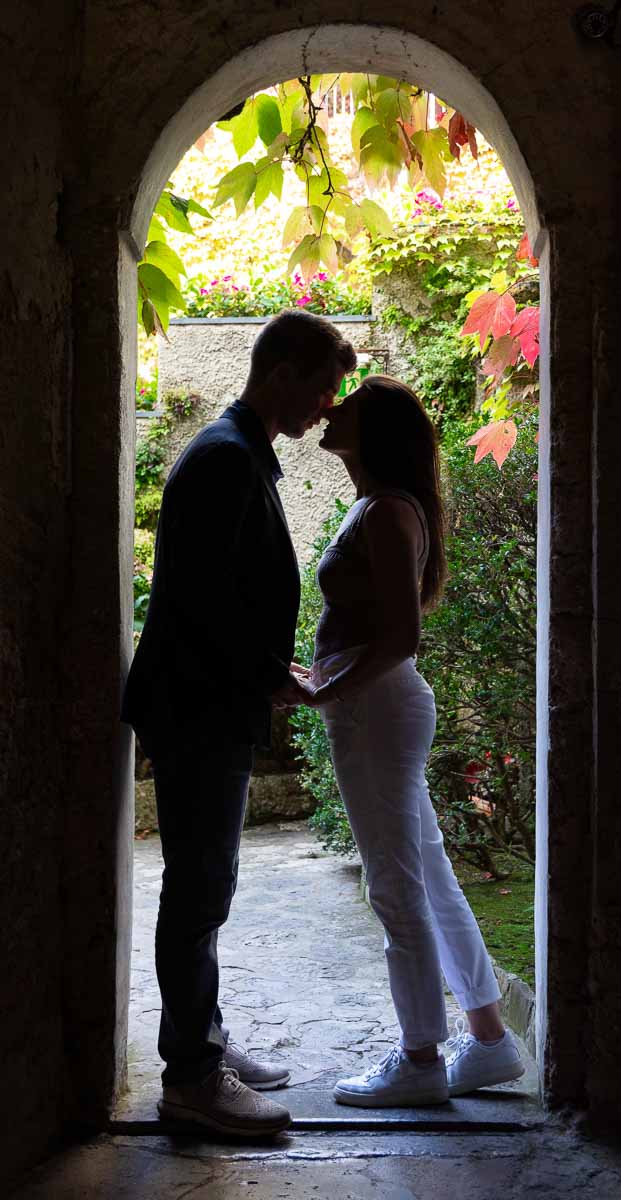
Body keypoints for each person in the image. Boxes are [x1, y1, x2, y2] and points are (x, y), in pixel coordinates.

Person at [122, 310, 356, 1136]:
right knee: (197, 885)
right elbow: (206, 605)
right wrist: (270, 677)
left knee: (207, 882)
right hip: (197, 704)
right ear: (281, 368)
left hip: (204, 696)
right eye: (324, 385)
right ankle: (191, 1076)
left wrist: (271, 670)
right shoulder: (226, 457)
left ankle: (204, 1045)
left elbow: (227, 597)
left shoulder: (236, 451)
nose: (328, 407)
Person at [288, 376, 525, 1107]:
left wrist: (326, 688)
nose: (330, 407)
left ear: (377, 429)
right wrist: (321, 668)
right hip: (375, 707)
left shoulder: (387, 512)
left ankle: (420, 1058)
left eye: (348, 403)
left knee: (393, 886)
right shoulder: (380, 505)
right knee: (428, 875)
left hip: (373, 713)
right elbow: (375, 630)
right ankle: (489, 1041)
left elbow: (400, 635)